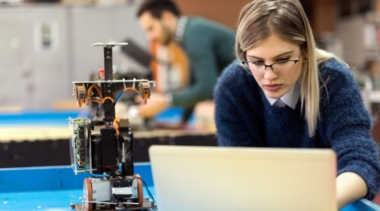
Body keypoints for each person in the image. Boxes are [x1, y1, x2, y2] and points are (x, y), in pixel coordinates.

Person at [214, 0, 380, 209]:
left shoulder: (333, 80)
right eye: (256, 62)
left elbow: (361, 160)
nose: (269, 76)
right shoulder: (232, 87)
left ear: (306, 52)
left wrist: (320, 204)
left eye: (282, 60)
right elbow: (240, 170)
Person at [136, 0, 235, 124]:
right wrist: (183, 122)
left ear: (166, 17)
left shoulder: (194, 34)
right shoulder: (189, 31)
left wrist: (165, 101)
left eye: (151, 28)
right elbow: (194, 82)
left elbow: (208, 88)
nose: (150, 37)